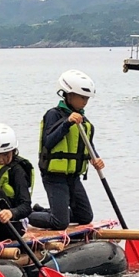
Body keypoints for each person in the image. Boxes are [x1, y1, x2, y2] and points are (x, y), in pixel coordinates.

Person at [28, 69, 105, 230]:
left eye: (87, 98)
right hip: (54, 176)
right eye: (82, 97)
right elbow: (48, 142)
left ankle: (46, 212)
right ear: (69, 95)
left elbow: (88, 145)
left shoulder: (84, 121)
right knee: (60, 223)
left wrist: (95, 158)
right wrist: (67, 123)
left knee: (85, 217)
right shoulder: (53, 115)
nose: (85, 102)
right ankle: (24, 215)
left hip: (73, 176)